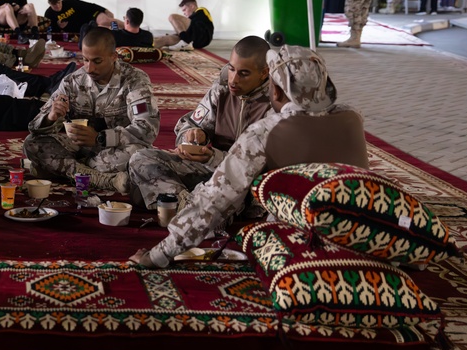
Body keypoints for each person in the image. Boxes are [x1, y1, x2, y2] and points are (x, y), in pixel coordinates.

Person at [130, 45, 369, 269]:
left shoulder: (266, 131)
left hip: (303, 247)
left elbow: (214, 201)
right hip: (364, 235)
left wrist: (158, 255)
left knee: (248, 231)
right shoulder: (352, 116)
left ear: (274, 88)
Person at [128, 36, 273, 210]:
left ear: (264, 72)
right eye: (232, 69)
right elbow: (188, 124)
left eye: (244, 73)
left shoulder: (275, 103)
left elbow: (258, 166)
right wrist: (195, 136)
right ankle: (190, 206)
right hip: (212, 171)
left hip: (247, 181)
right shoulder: (222, 90)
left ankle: (181, 203)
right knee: (141, 159)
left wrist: (214, 157)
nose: (233, 80)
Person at [24, 27, 158, 194]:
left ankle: (64, 169)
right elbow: (35, 128)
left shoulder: (134, 81)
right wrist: (50, 117)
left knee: (141, 155)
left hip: (115, 149)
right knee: (32, 144)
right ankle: (102, 179)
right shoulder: (73, 81)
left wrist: (100, 138)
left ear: (113, 57)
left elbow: (147, 129)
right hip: (79, 148)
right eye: (85, 60)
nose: (89, 68)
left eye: (97, 61)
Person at [43, 0, 119, 36]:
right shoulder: (49, 14)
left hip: (90, 17)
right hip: (82, 31)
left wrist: (105, 10)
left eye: (59, 2)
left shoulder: (69, 1)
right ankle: (117, 34)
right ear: (49, 3)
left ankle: (127, 28)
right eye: (54, 4)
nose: (58, 6)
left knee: (105, 21)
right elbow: (51, 34)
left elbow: (88, 5)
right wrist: (59, 27)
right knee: (101, 30)